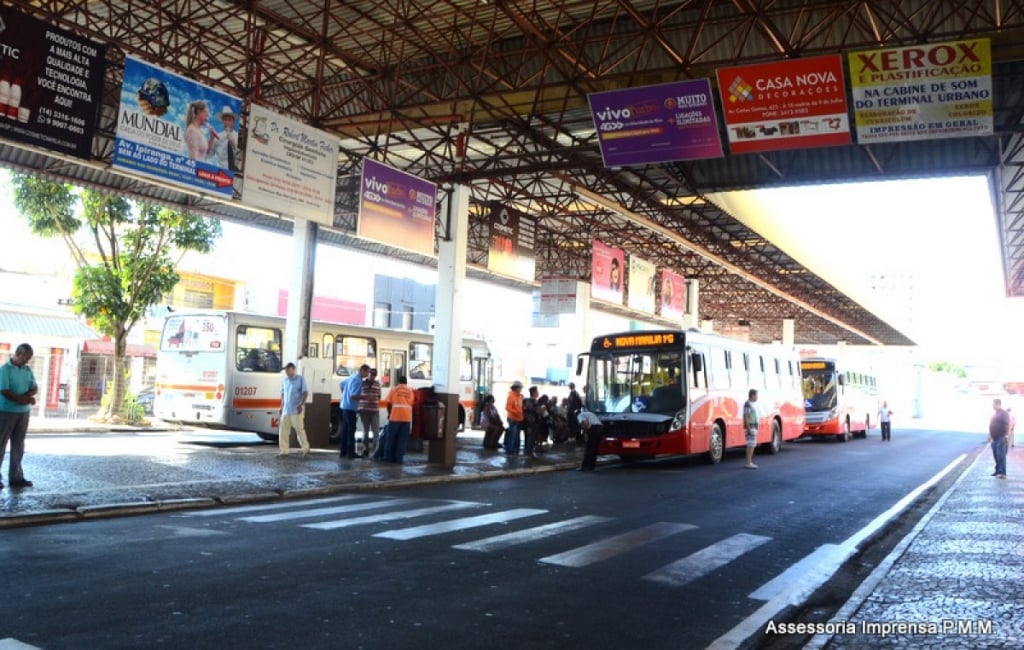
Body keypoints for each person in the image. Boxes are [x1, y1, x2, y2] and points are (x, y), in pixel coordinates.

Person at [0, 343, 38, 489]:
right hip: (6, 411)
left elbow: (34, 387)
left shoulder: (28, 370)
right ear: (18, 353)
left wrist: (28, 396)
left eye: (29, 358)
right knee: (1, 444)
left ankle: (16, 477)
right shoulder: (4, 370)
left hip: (23, 412)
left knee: (18, 444)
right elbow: (4, 390)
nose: (27, 361)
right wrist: (21, 399)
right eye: (25, 357)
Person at [278, 362, 310, 458]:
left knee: (300, 430)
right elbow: (283, 395)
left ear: (293, 369)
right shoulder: (285, 381)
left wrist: (301, 405)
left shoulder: (300, 379)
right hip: (286, 410)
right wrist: (281, 406)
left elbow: (305, 392)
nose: (286, 371)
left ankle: (306, 449)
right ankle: (284, 451)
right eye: (285, 370)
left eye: (288, 369)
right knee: (283, 431)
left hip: (296, 410)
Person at [339, 364, 370, 459]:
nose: (368, 375)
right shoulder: (358, 380)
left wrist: (344, 395)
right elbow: (353, 396)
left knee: (345, 430)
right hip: (351, 408)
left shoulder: (352, 376)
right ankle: (350, 452)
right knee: (351, 430)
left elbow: (341, 384)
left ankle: (343, 452)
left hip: (344, 406)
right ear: (362, 371)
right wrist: (364, 397)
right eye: (367, 372)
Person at [383, 375, 414, 463]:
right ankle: (399, 458)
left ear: (398, 382)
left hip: (395, 417)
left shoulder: (394, 390)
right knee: (402, 439)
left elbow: (388, 403)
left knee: (391, 438)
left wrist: (389, 414)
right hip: (406, 418)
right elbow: (412, 402)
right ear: (406, 383)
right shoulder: (410, 391)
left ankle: (388, 457)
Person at [357, 368, 382, 458]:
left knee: (376, 432)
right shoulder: (362, 383)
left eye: (374, 375)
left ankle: (375, 452)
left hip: (375, 411)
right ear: (368, 374)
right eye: (371, 374)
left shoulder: (378, 384)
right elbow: (358, 395)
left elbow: (379, 396)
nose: (372, 376)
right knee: (365, 432)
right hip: (364, 410)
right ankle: (365, 451)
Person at [208, 105, 239, 171]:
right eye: (225, 120)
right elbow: (209, 155)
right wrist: (211, 139)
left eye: (229, 120)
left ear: (233, 121)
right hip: (221, 171)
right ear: (222, 121)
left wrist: (233, 142)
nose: (227, 122)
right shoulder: (217, 137)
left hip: (235, 172)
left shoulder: (237, 136)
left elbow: (241, 156)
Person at [988, 398, 1010, 478]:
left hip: (1001, 437)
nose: (992, 406)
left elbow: (1007, 424)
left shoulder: (1004, 413)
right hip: (994, 438)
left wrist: (1006, 436)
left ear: (998, 404)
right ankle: (998, 470)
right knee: (996, 455)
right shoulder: (995, 413)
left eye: (993, 404)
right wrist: (990, 435)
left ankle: (1003, 473)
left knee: (1001, 455)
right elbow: (991, 424)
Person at [504, 381, 525, 455]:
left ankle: (516, 450)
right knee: (512, 436)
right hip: (513, 419)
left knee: (517, 436)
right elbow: (507, 408)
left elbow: (520, 406)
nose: (521, 389)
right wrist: (517, 412)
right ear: (516, 388)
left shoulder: (520, 396)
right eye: (520, 388)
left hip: (519, 419)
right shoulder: (511, 396)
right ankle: (510, 451)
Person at [522, 385, 540, 457]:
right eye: (537, 391)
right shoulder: (528, 401)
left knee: (532, 438)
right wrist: (539, 410)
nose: (538, 393)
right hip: (531, 422)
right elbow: (531, 410)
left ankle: (530, 452)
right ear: (533, 392)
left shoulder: (535, 401)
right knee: (530, 438)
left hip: (535, 421)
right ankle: (528, 453)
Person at [743, 389, 759, 469]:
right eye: (756, 395)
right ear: (752, 395)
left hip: (753, 426)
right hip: (751, 426)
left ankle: (749, 462)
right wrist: (749, 428)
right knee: (751, 444)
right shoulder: (748, 404)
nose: (757, 397)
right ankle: (748, 462)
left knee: (752, 444)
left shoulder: (751, 404)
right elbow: (746, 417)